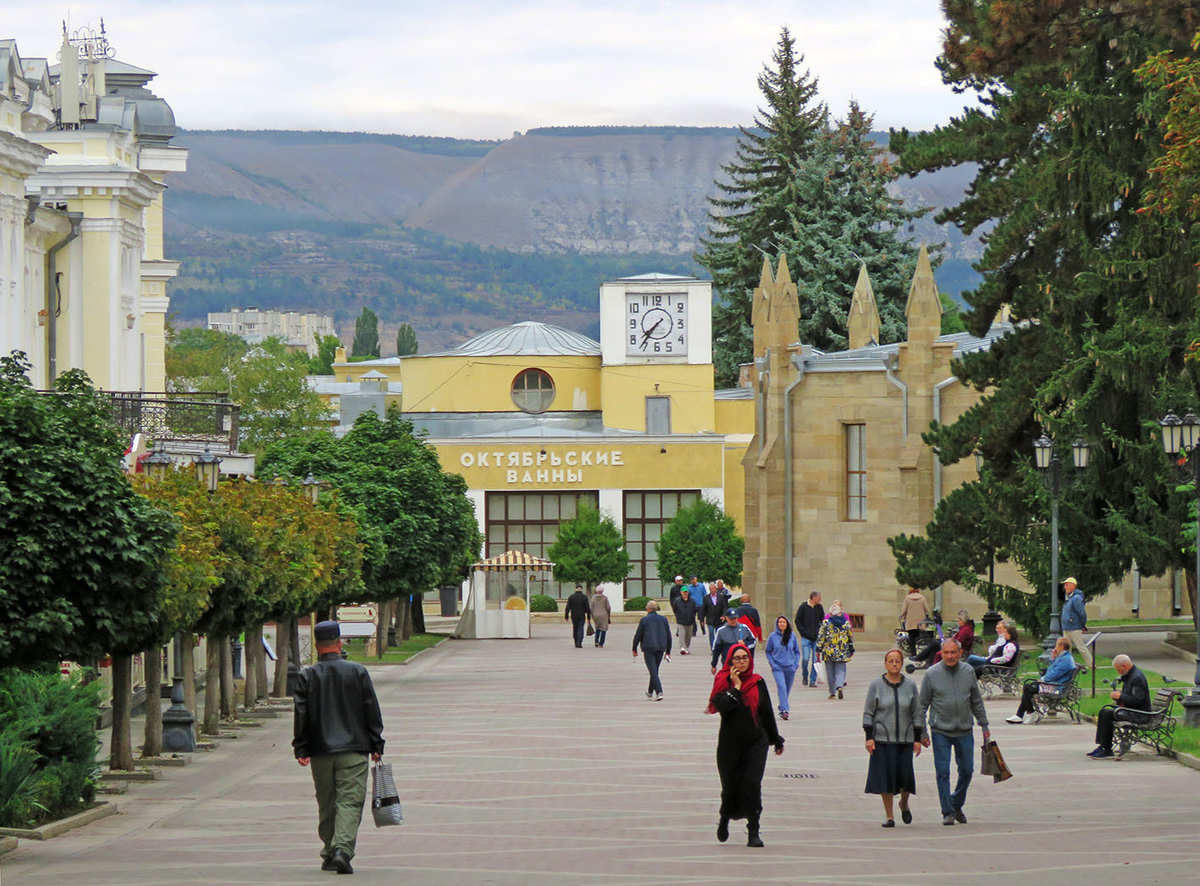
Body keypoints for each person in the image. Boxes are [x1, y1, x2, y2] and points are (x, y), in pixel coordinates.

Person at [293, 621, 385, 875]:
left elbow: (302, 713)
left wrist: (301, 747)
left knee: (327, 802)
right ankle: (341, 850)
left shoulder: (307, 675)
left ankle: (329, 851)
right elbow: (371, 710)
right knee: (350, 801)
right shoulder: (357, 672)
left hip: (321, 750)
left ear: (316, 645)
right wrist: (376, 744)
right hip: (355, 749)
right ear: (339, 642)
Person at [706, 642, 784, 848]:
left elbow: (766, 711)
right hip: (730, 744)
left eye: (745, 658)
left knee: (751, 784)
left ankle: (753, 830)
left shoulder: (758, 681)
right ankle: (724, 817)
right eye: (737, 658)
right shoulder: (723, 681)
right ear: (730, 661)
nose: (742, 661)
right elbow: (722, 706)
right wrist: (737, 686)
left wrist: (775, 739)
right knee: (730, 785)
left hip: (755, 741)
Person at [918, 638, 990, 826]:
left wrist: (984, 724)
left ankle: (956, 803)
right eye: (946, 653)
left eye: (953, 653)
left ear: (960, 653)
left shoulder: (968, 672)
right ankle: (948, 811)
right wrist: (922, 732)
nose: (949, 656)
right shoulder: (932, 674)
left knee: (967, 770)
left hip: (964, 729)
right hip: (940, 730)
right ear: (941, 653)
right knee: (942, 772)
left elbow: (976, 700)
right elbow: (922, 705)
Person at [863, 649, 923, 827]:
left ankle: (904, 803)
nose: (894, 664)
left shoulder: (910, 686)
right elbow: (868, 712)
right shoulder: (876, 685)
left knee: (905, 777)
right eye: (890, 661)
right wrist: (869, 737)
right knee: (886, 779)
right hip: (882, 739)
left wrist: (918, 738)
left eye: (897, 661)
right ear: (885, 664)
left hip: (905, 738)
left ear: (902, 663)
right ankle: (889, 816)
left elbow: (917, 713)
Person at [1087, 653, 1150, 759]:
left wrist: (1120, 696)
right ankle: (1102, 746)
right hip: (1131, 710)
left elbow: (1138, 700)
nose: (1118, 672)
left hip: (1139, 714)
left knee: (1107, 714)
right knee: (1104, 711)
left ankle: (1106, 748)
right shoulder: (1130, 676)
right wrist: (1119, 697)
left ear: (1124, 666)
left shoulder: (1136, 678)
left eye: (1118, 669)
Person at [1006, 637, 1077, 724]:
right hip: (1054, 684)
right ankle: (1021, 715)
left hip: (1057, 687)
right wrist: (1053, 658)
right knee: (1028, 686)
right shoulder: (1063, 657)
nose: (1055, 648)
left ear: (1061, 646)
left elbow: (1054, 674)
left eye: (1057, 645)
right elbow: (1052, 672)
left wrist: (1042, 680)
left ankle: (1028, 713)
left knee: (1029, 687)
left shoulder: (1065, 660)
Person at [632, 600, 672, 700]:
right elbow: (668, 635)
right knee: (654, 670)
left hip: (649, 648)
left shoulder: (644, 620)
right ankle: (650, 692)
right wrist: (668, 650)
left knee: (653, 671)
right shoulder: (663, 619)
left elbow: (638, 635)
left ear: (648, 609)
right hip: (660, 648)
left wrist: (634, 648)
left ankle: (659, 691)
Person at [908, 610, 973, 670]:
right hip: (953, 646)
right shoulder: (965, 628)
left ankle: (920, 658)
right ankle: (931, 666)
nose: (958, 622)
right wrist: (948, 639)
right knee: (934, 649)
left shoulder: (965, 630)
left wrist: (948, 641)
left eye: (959, 620)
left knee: (934, 644)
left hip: (955, 649)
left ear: (963, 620)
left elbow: (958, 642)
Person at [764, 616, 800, 720]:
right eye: (780, 622)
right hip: (778, 667)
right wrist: (772, 663)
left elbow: (797, 652)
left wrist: (795, 664)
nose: (782, 624)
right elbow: (768, 651)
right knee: (782, 687)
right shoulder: (772, 636)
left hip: (790, 667)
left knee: (787, 689)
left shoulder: (792, 636)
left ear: (787, 624)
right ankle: (785, 710)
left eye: (784, 622)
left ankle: (782, 706)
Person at [816, 601, 854, 699]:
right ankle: (840, 686)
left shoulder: (825, 624)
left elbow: (821, 637)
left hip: (828, 651)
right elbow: (850, 637)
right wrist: (851, 648)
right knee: (841, 670)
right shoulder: (846, 624)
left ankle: (832, 692)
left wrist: (818, 648)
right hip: (842, 651)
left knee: (830, 672)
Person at [1061, 577, 1093, 669]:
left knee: (1080, 646)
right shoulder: (1068, 597)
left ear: (1073, 585)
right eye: (1065, 584)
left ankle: (1091, 664)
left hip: (1074, 627)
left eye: (1067, 584)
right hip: (1067, 627)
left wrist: (1082, 624)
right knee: (1067, 648)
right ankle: (1069, 665)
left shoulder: (1077, 598)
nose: (1065, 586)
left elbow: (1082, 613)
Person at [712, 608, 756, 673]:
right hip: (728, 662)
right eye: (731, 619)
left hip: (742, 662)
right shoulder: (721, 631)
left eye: (735, 618)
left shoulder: (744, 628)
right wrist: (714, 665)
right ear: (726, 618)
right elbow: (716, 649)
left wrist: (745, 644)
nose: (733, 621)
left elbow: (753, 642)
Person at [795, 591, 824, 687]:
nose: (820, 599)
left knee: (815, 660)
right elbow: (797, 620)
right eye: (819, 597)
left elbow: (822, 620)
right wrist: (803, 631)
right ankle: (805, 674)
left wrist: (820, 632)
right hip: (806, 637)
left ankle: (812, 680)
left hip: (816, 638)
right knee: (806, 658)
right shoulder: (803, 607)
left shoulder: (819, 608)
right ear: (813, 597)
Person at [701, 581, 732, 651]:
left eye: (713, 589)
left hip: (719, 619)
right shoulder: (706, 598)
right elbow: (703, 609)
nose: (712, 590)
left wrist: (724, 615)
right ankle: (713, 648)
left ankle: (719, 647)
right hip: (710, 619)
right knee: (711, 634)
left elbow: (724, 607)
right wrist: (701, 619)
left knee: (718, 634)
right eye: (710, 589)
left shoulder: (721, 597)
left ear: (716, 589)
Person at [901, 588, 931, 655]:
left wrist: (903, 616)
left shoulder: (907, 599)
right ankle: (921, 653)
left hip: (910, 622)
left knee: (912, 638)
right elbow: (927, 610)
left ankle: (913, 654)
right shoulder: (923, 598)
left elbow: (903, 610)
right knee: (920, 638)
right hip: (921, 623)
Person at [671, 586, 701, 654]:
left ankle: (686, 647)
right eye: (684, 592)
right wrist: (678, 617)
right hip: (681, 621)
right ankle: (682, 647)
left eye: (686, 592)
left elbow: (694, 610)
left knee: (688, 636)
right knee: (682, 635)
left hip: (690, 621)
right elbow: (674, 609)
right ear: (681, 592)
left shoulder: (692, 601)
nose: (685, 593)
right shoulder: (677, 601)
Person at [564, 584, 592, 648]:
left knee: (575, 628)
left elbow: (568, 607)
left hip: (574, 615)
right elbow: (587, 608)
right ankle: (579, 642)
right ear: (581, 589)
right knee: (580, 628)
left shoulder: (571, 597)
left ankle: (576, 641)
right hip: (581, 615)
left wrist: (566, 616)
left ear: (575, 589)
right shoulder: (584, 597)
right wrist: (588, 617)